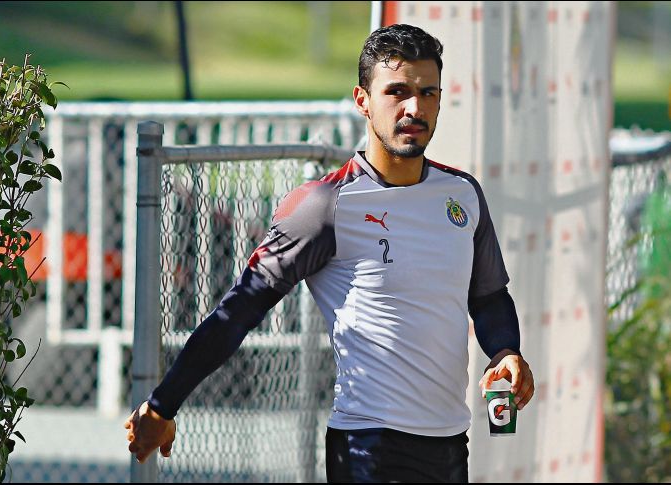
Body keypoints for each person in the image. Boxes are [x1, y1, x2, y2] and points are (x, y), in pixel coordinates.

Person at [125, 23, 535, 483]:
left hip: (450, 443)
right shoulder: (325, 205)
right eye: (397, 92)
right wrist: (163, 405)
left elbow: (487, 296)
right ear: (363, 100)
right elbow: (240, 309)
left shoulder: (462, 194)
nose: (414, 108)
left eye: (428, 93)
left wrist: (506, 351)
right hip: (367, 447)